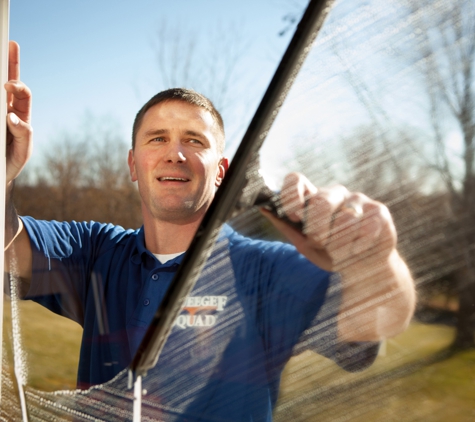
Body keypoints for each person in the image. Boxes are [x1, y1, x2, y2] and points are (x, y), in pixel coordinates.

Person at [4, 41, 415, 421]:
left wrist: (375, 256)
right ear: (133, 164)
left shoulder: (260, 269)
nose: (174, 154)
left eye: (194, 140)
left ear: (222, 173)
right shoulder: (95, 253)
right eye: (157, 139)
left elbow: (379, 317)